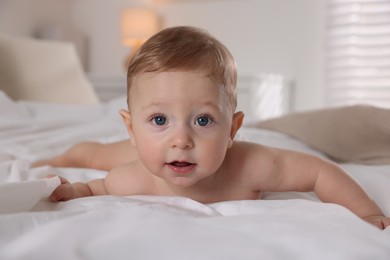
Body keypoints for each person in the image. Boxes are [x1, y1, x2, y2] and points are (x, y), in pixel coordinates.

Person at [37, 26, 390, 229]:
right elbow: (96, 188)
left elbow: (318, 172)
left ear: (233, 130)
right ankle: (68, 151)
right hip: (130, 154)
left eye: (203, 121)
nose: (181, 140)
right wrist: (73, 191)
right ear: (131, 128)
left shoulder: (254, 166)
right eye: (159, 120)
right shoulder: (133, 176)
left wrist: (367, 213)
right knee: (96, 154)